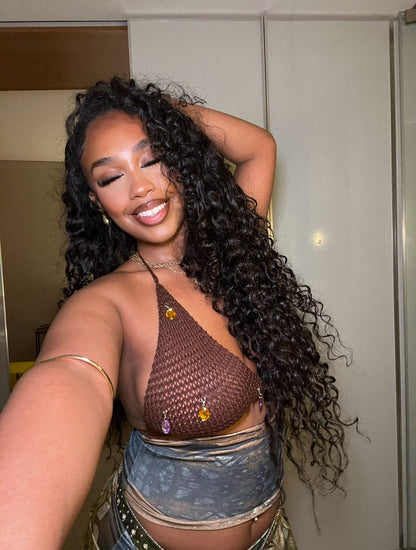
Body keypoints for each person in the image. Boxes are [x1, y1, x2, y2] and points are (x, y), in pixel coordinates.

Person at [0, 77, 354, 550]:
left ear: (182, 159)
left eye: (153, 158)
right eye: (111, 177)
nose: (141, 188)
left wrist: (161, 111)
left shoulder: (233, 255)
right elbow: (68, 379)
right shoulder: (105, 302)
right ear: (95, 201)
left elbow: (259, 148)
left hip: (271, 535)